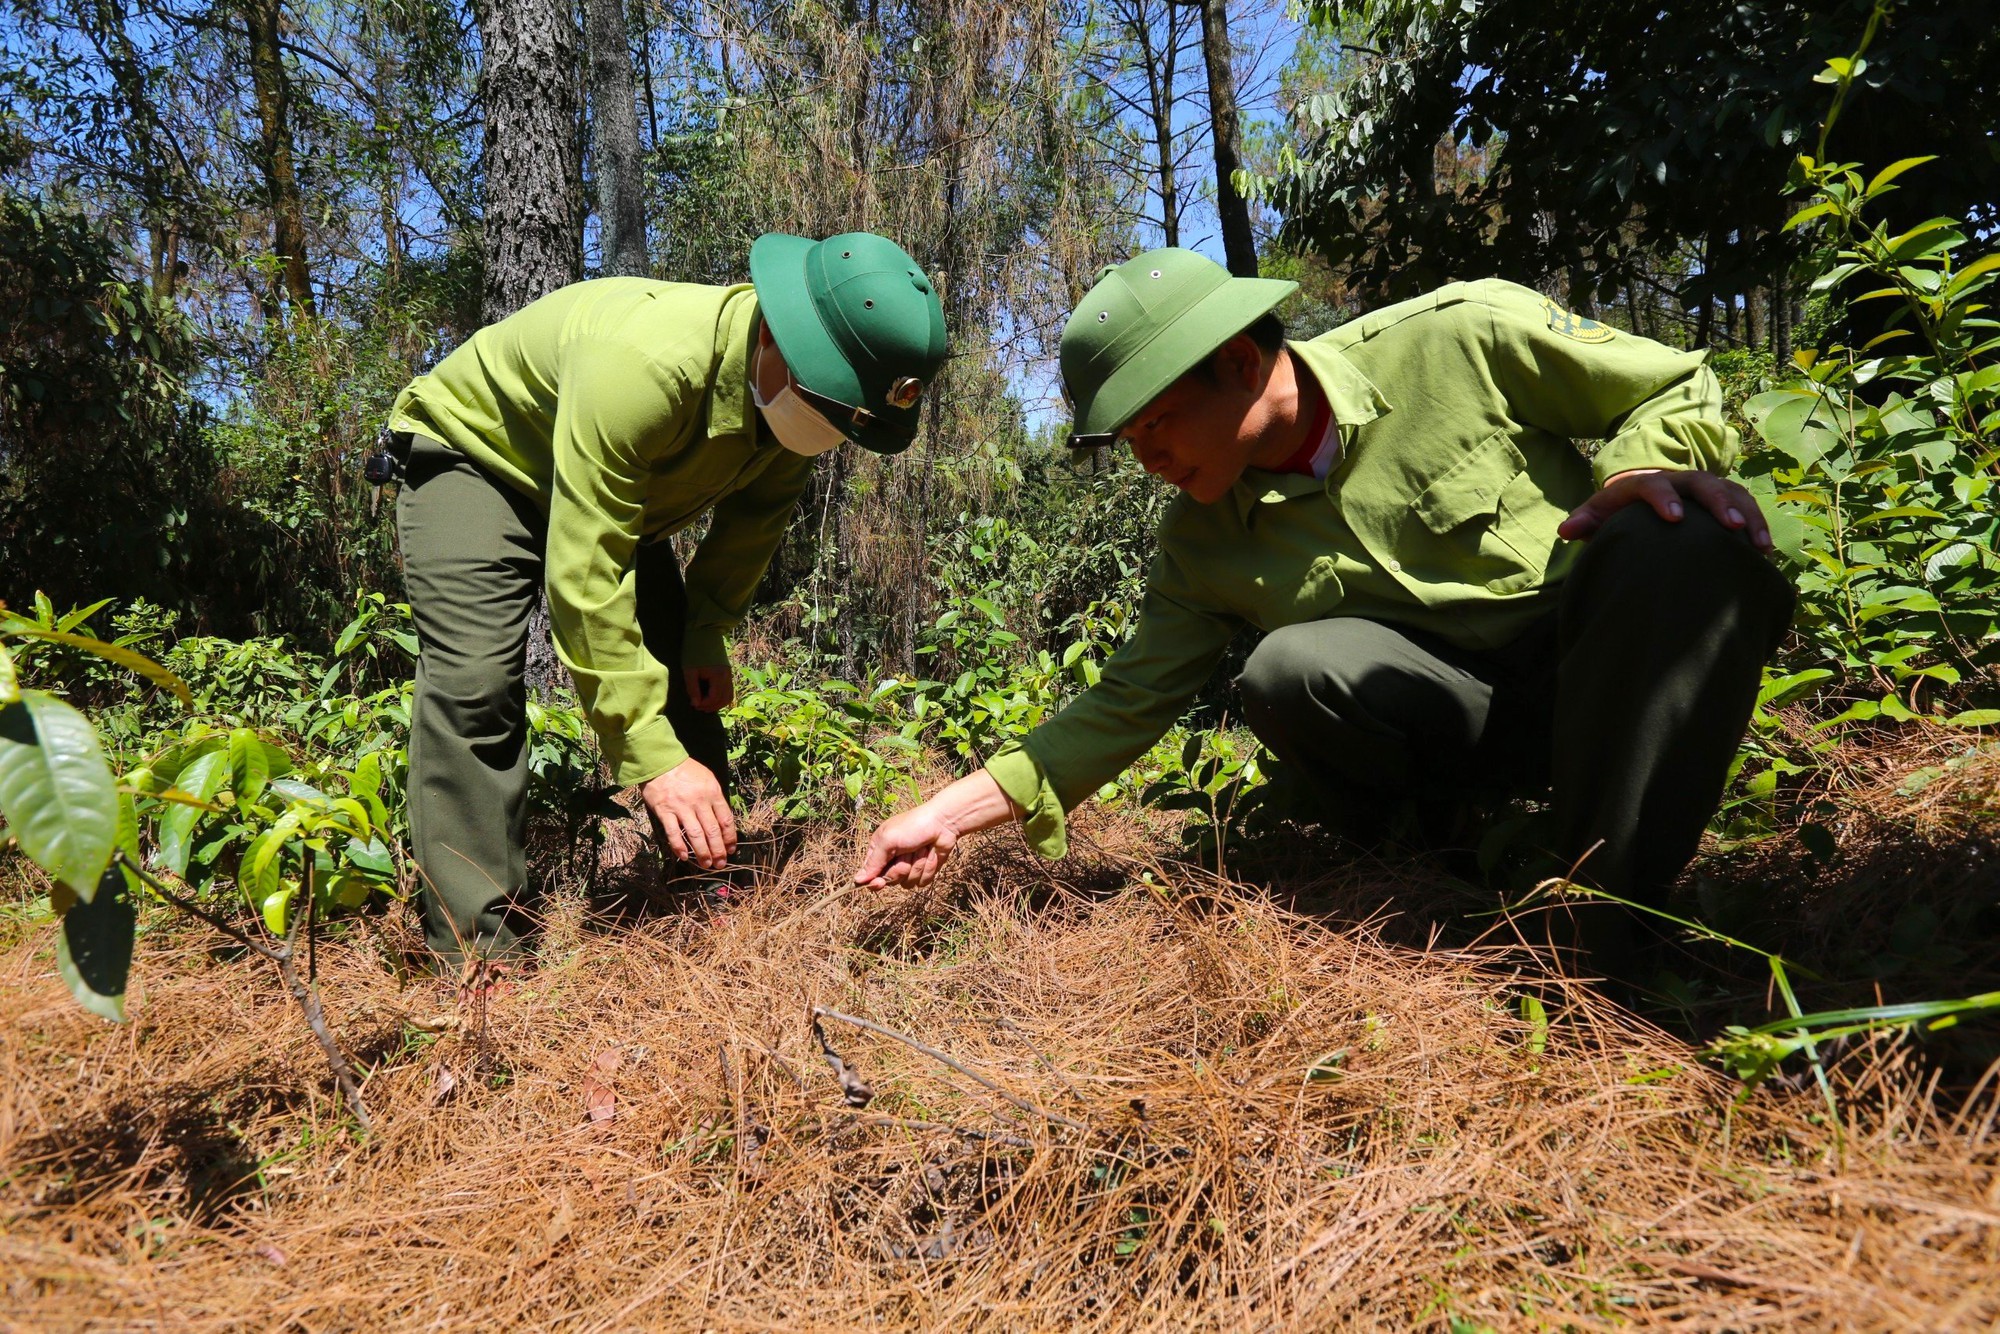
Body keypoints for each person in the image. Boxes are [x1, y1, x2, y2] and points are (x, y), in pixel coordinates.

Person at [855, 246, 1794, 975]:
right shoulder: (1201, 541)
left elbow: (1675, 378)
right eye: (1128, 439)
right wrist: (949, 812)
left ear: (1234, 360)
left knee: (1675, 532)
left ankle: (1605, 926)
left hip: (1605, 675)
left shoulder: (1459, 337)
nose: (1149, 459)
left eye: (1156, 424)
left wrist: (1637, 465)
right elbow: (1126, 702)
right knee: (1289, 671)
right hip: (1470, 726)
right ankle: (1443, 881)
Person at [389, 232, 947, 969]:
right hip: (477, 457)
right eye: (827, 404)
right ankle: (480, 954)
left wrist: (706, 631)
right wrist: (652, 760)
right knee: (474, 687)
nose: (829, 432)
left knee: (685, 670)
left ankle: (702, 883)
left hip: (615, 493)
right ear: (778, 334)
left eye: (849, 421)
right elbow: (585, 579)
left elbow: (752, 529)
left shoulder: (803, 403)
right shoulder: (643, 367)